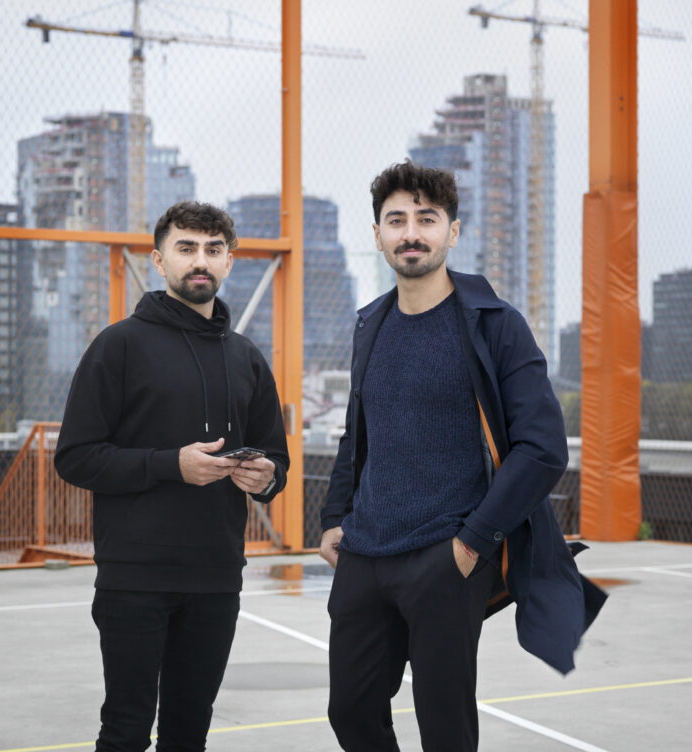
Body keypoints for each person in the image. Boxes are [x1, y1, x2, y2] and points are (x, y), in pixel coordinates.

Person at [320, 161, 602, 751]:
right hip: (365, 552)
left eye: (427, 218)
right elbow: (358, 427)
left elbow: (543, 446)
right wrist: (333, 517)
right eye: (396, 220)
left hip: (446, 555)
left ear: (453, 231)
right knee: (351, 712)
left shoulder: (494, 325)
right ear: (378, 236)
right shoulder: (370, 323)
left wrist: (473, 541)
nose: (411, 233)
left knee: (444, 726)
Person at [55, 201, 290, 752]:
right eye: (186, 249)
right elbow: (77, 457)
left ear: (230, 261)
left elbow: (276, 460)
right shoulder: (118, 346)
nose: (199, 261)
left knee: (189, 731)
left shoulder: (247, 357)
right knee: (126, 729)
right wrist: (171, 465)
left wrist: (266, 477)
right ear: (159, 261)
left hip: (215, 574)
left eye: (212, 250)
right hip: (135, 575)